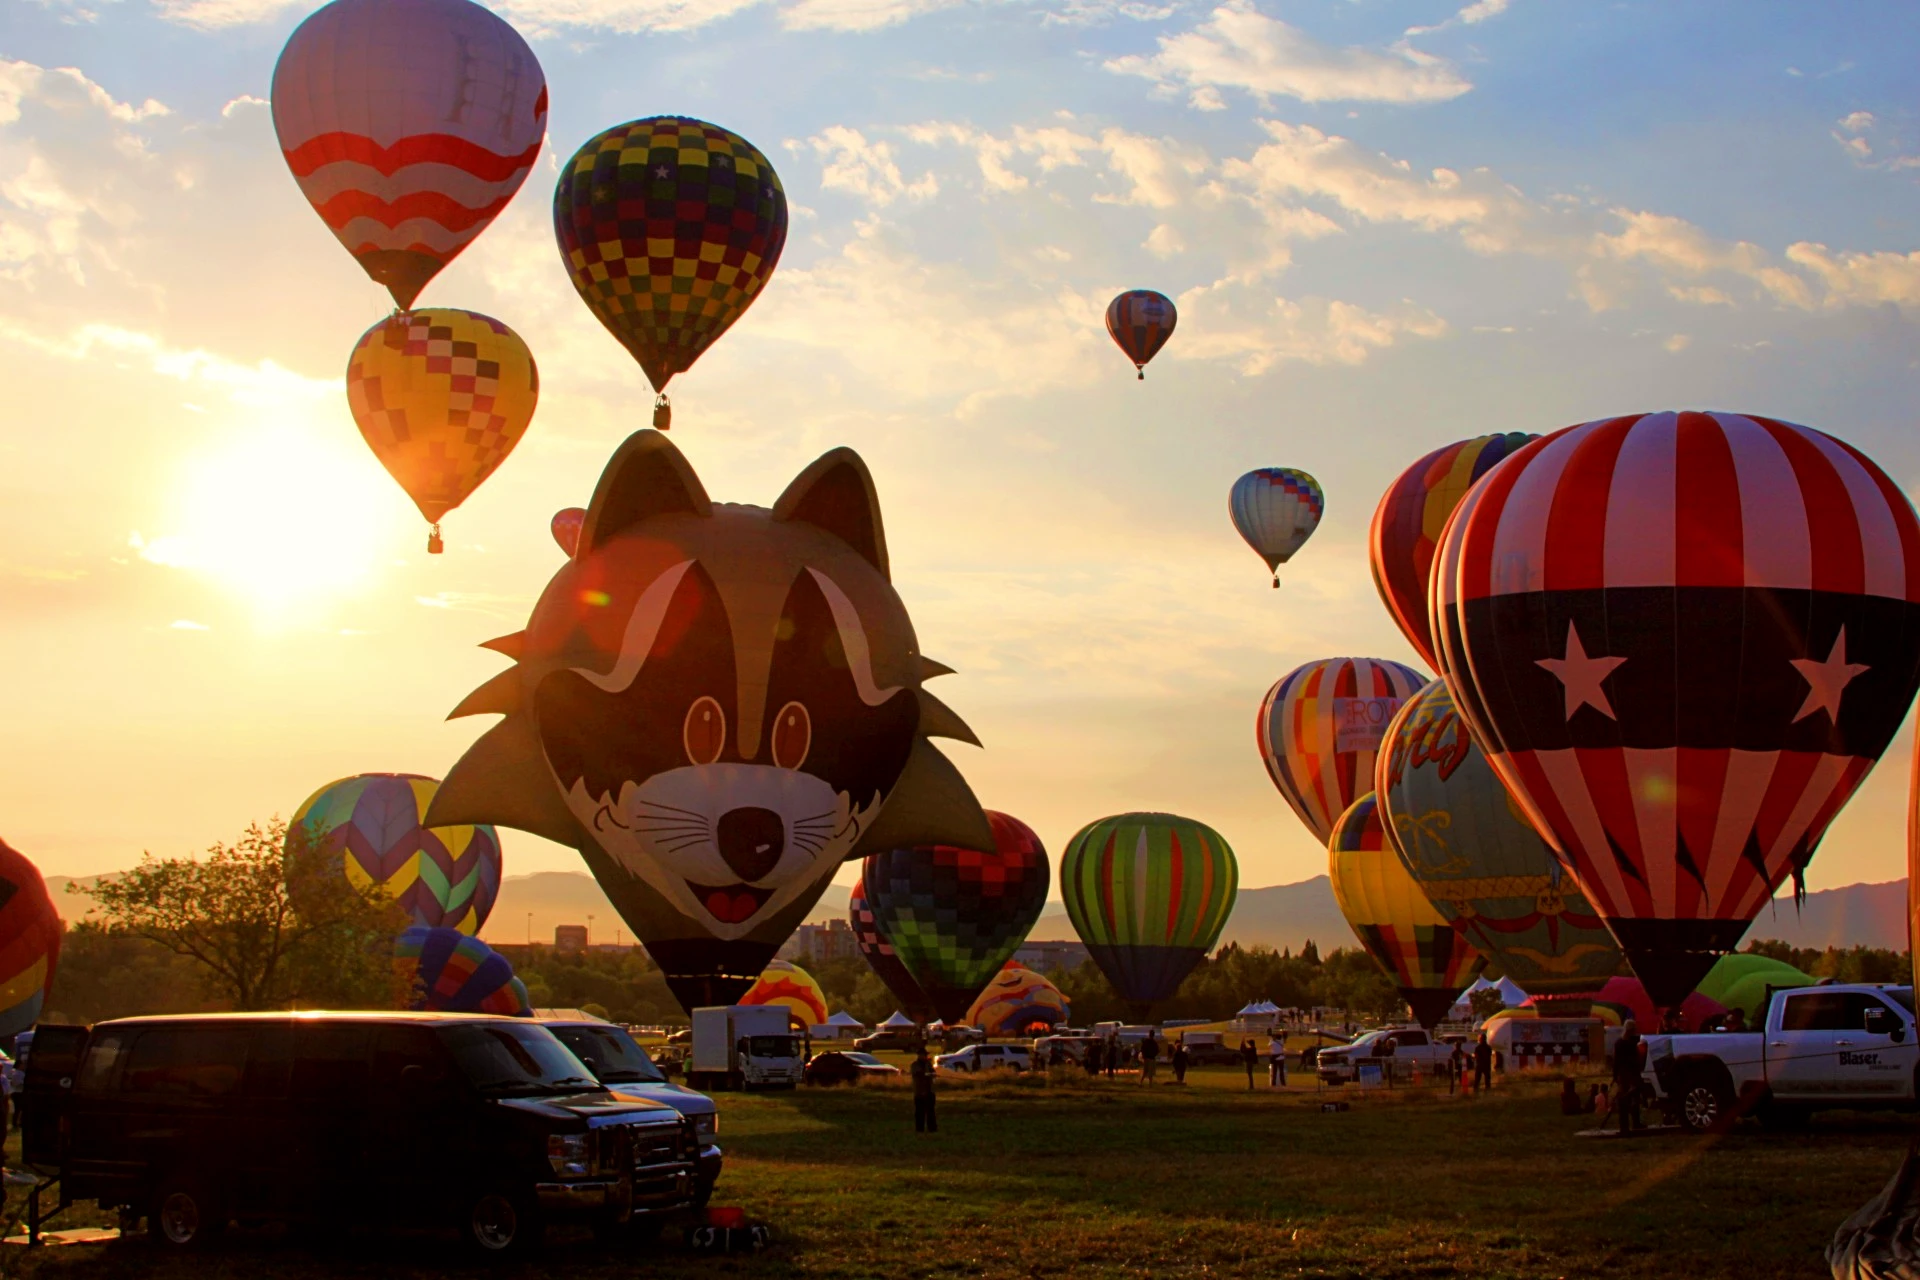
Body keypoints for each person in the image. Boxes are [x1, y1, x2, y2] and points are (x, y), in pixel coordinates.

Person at [1613, 1018, 1645, 1135]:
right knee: (1626, 1101)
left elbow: (1616, 1061)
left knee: (1632, 1100)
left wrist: (1615, 1075)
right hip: (1628, 1075)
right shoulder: (1629, 1044)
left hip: (1626, 1075)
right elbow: (1632, 1061)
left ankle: (1632, 1124)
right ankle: (1627, 1126)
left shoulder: (1620, 1043)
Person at [911, 1044, 937, 1134]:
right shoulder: (914, 1065)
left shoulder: (928, 1064)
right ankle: (919, 1129)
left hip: (929, 1091)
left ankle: (932, 1129)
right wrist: (927, 1074)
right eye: (923, 1055)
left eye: (925, 1055)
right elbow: (918, 1073)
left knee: (931, 1112)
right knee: (919, 1113)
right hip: (919, 1092)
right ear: (919, 1055)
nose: (924, 1056)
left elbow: (933, 1072)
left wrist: (932, 1074)